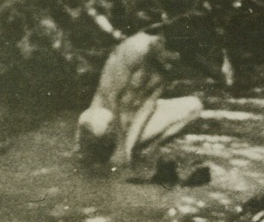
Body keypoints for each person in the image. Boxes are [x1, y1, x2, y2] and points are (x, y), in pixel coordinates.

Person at [77, 33, 201, 163]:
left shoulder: (165, 64)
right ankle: (90, 150)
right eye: (168, 59)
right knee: (99, 125)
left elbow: (148, 106)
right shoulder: (133, 49)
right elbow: (110, 96)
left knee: (194, 105)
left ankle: (143, 148)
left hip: (131, 122)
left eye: (173, 62)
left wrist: (127, 150)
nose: (169, 66)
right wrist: (120, 145)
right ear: (159, 43)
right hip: (106, 116)